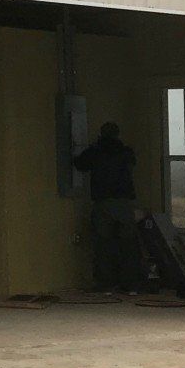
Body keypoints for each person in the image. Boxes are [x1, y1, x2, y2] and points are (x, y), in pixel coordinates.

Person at [73, 122, 142, 291]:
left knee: (103, 244)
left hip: (103, 203)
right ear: (118, 134)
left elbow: (80, 164)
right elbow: (133, 162)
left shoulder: (96, 151)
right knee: (128, 245)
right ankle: (130, 284)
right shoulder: (125, 151)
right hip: (124, 203)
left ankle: (105, 284)